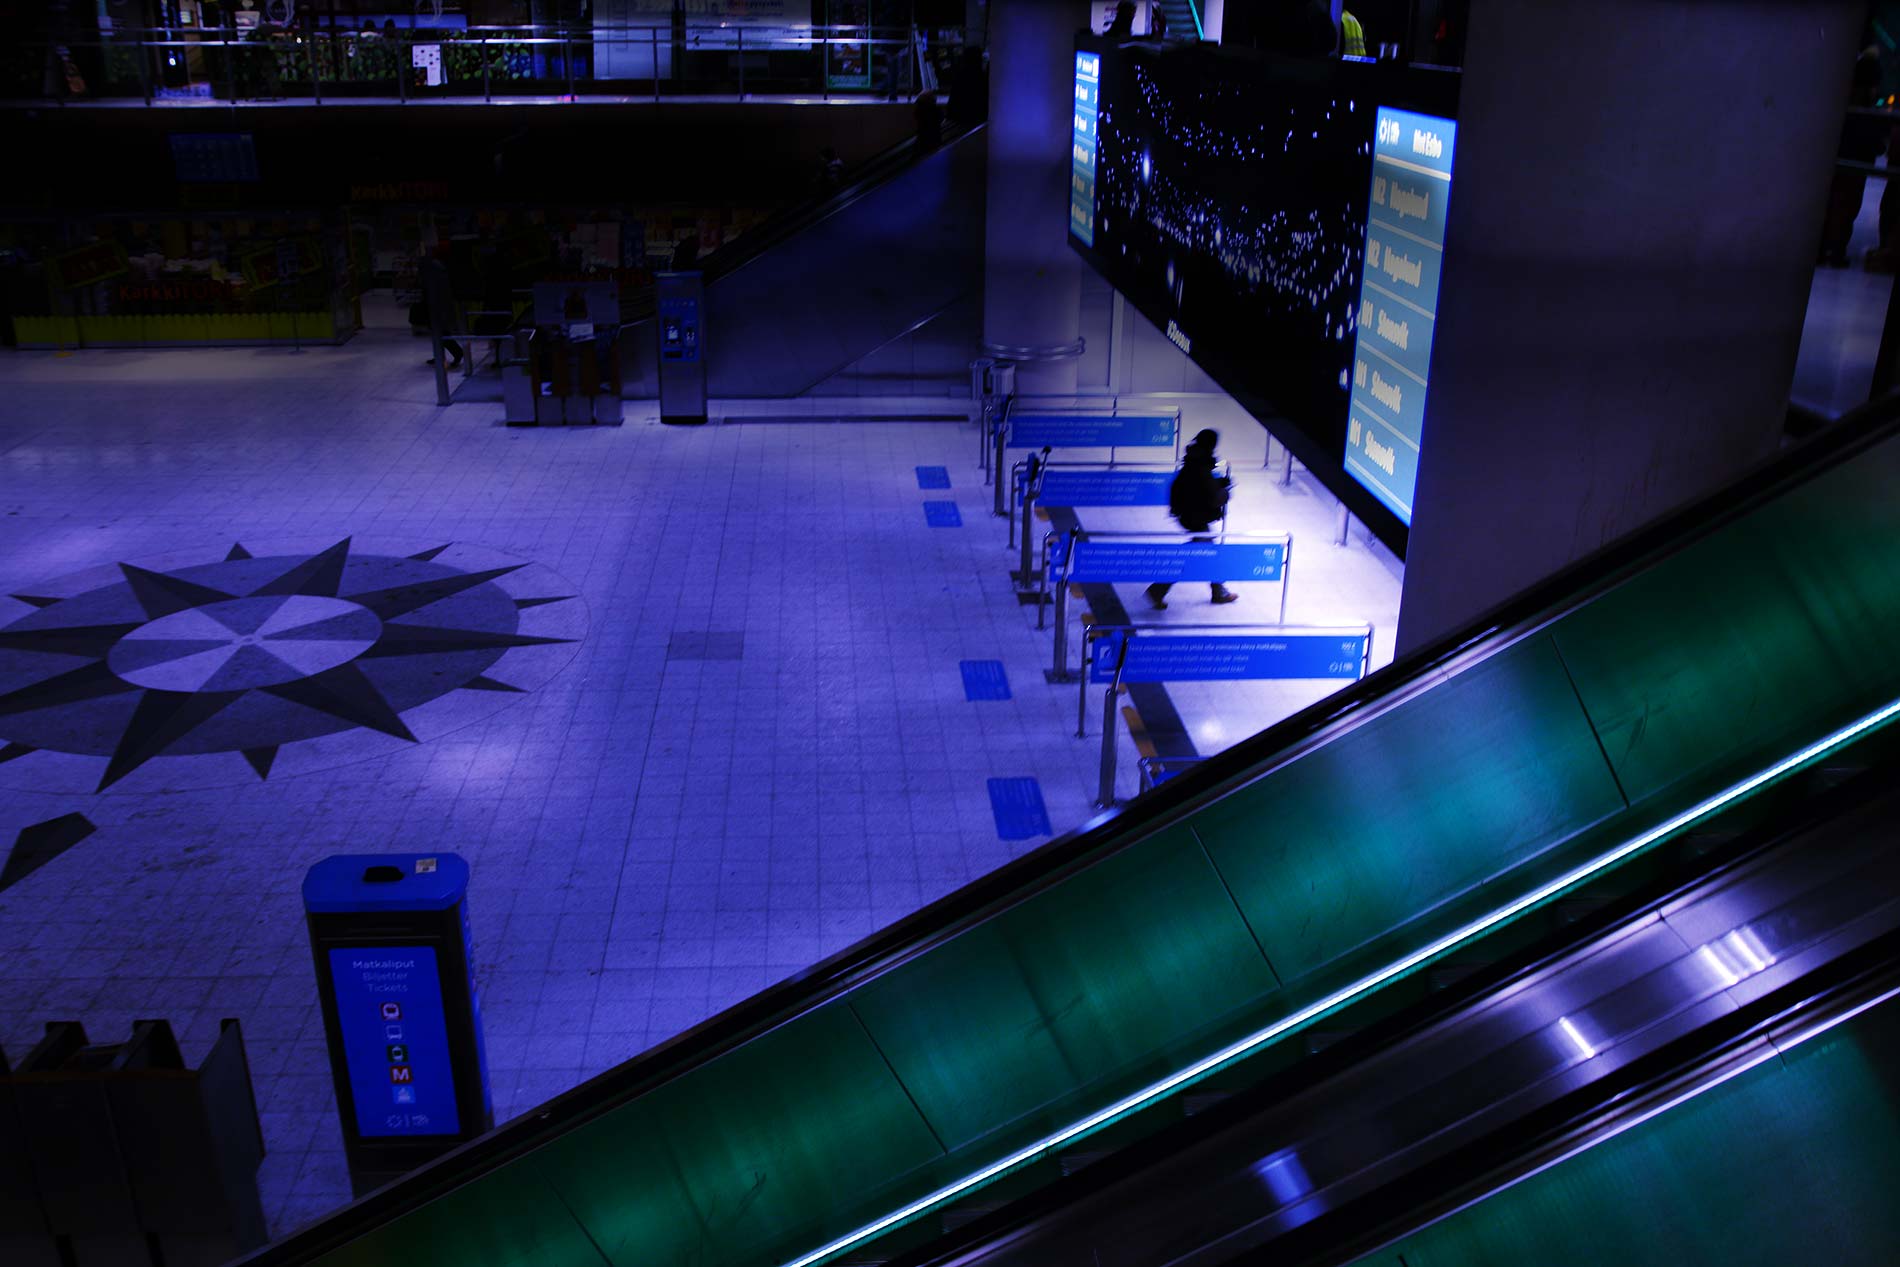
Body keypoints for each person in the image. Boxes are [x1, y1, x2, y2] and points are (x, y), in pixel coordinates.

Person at [1147, 429, 1238, 609]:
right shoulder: (1202, 465)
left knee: (1208, 551)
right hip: (1195, 517)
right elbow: (1210, 496)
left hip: (1189, 514)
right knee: (1192, 556)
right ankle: (1157, 589)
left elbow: (1198, 487)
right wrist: (1225, 493)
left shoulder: (1195, 459)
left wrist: (1218, 485)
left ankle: (1217, 590)